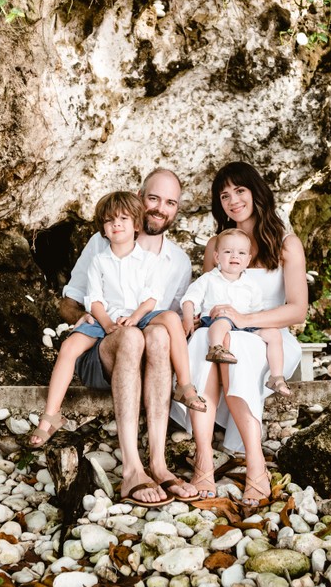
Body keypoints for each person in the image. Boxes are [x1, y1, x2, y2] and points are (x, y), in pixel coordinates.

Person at [54, 169, 200, 506]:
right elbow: (69, 303)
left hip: (153, 360)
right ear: (139, 198)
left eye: (170, 203)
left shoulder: (176, 260)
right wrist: (89, 318)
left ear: (176, 210)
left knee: (159, 336)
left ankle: (159, 465)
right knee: (133, 338)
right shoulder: (102, 243)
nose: (160, 208)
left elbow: (172, 322)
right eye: (153, 198)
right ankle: (132, 468)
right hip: (107, 349)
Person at [170, 161, 306, 506]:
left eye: (240, 190)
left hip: (268, 337)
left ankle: (256, 464)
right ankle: (203, 460)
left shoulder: (286, 244)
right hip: (220, 334)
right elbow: (205, 296)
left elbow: (296, 310)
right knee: (205, 340)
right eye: (224, 195)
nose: (233, 200)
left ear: (256, 192)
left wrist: (244, 318)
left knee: (236, 347)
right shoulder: (217, 244)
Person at [30, 191, 205, 455]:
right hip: (105, 317)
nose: (116, 224)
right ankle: (51, 416)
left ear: (136, 225)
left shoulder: (149, 261)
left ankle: (184, 385)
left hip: (140, 314)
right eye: (110, 220)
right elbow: (95, 301)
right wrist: (108, 325)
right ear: (103, 227)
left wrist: (134, 318)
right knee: (69, 347)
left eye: (123, 218)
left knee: (169, 317)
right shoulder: (99, 261)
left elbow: (152, 298)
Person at [180, 228, 289, 396]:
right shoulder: (209, 279)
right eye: (228, 251)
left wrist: (253, 324)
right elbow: (190, 299)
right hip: (215, 320)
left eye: (241, 253)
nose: (235, 256)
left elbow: (257, 311)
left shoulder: (251, 285)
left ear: (248, 260)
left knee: (274, 334)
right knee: (224, 318)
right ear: (217, 257)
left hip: (243, 324)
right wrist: (188, 318)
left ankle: (276, 377)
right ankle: (215, 348)